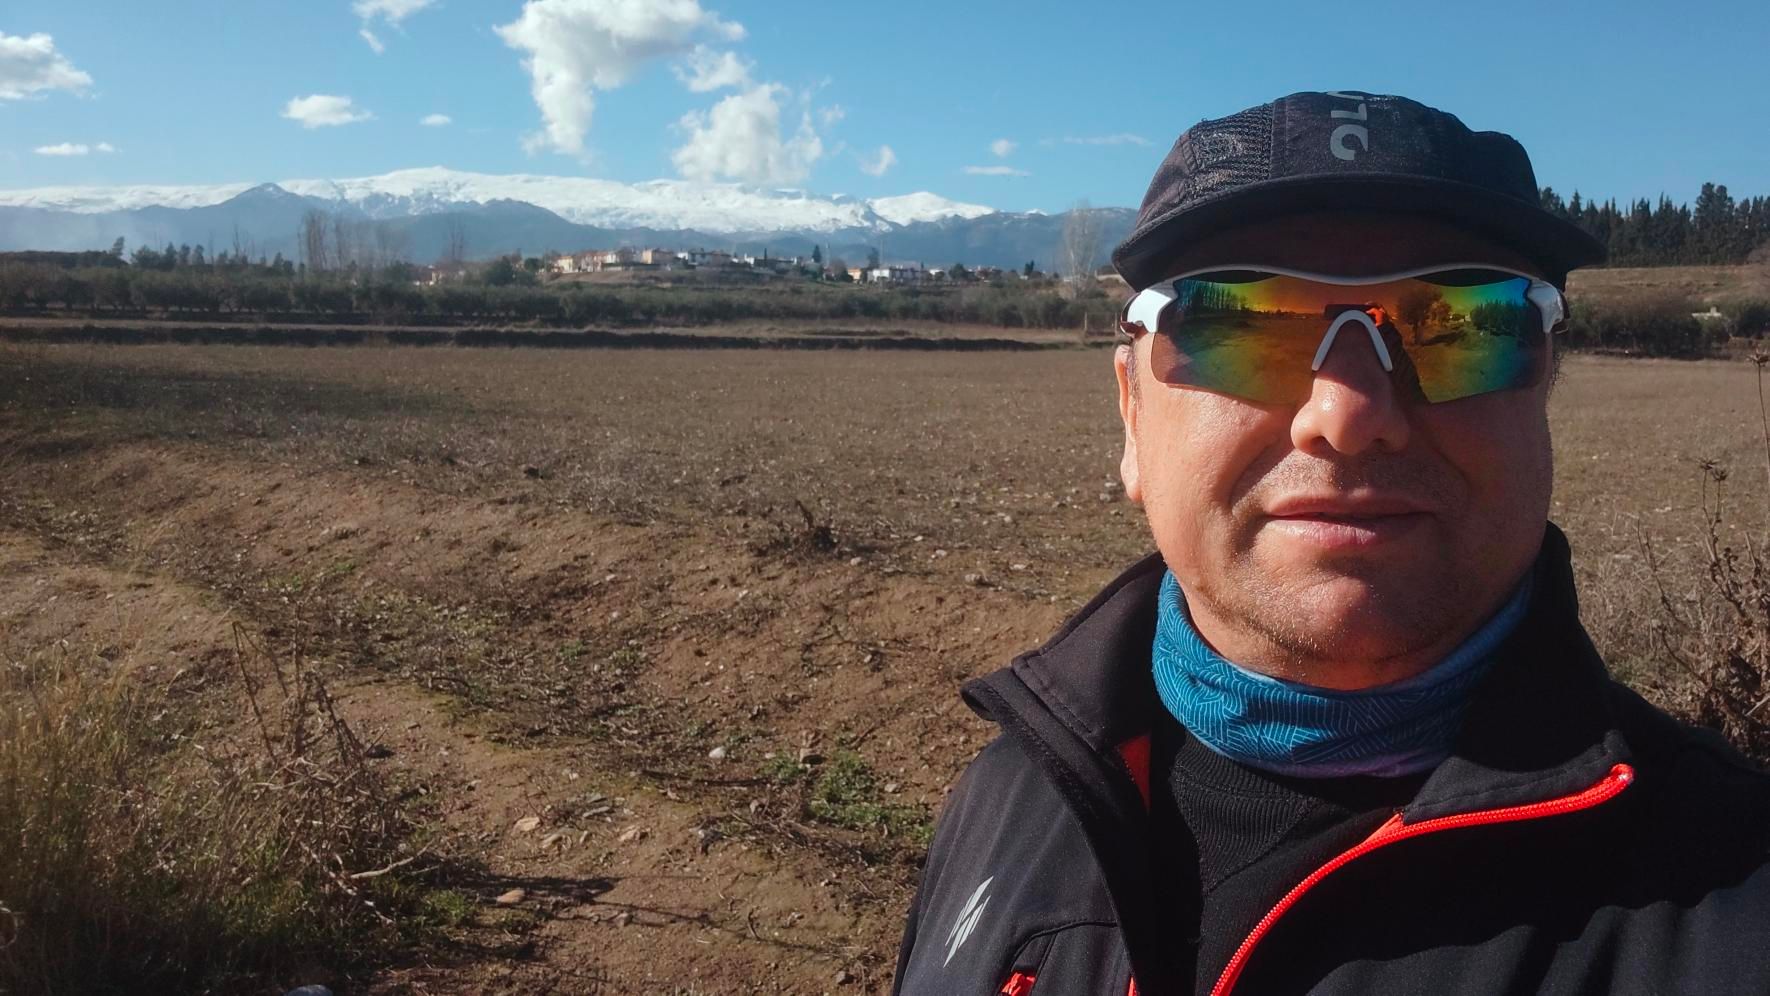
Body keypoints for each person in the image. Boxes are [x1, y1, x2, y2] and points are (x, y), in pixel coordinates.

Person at [891, 91, 1770, 996]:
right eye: (1238, 324)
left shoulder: (1736, 907)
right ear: (1132, 416)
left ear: (1543, 390)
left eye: (1463, 326)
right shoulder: (1005, 804)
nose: (1348, 416)